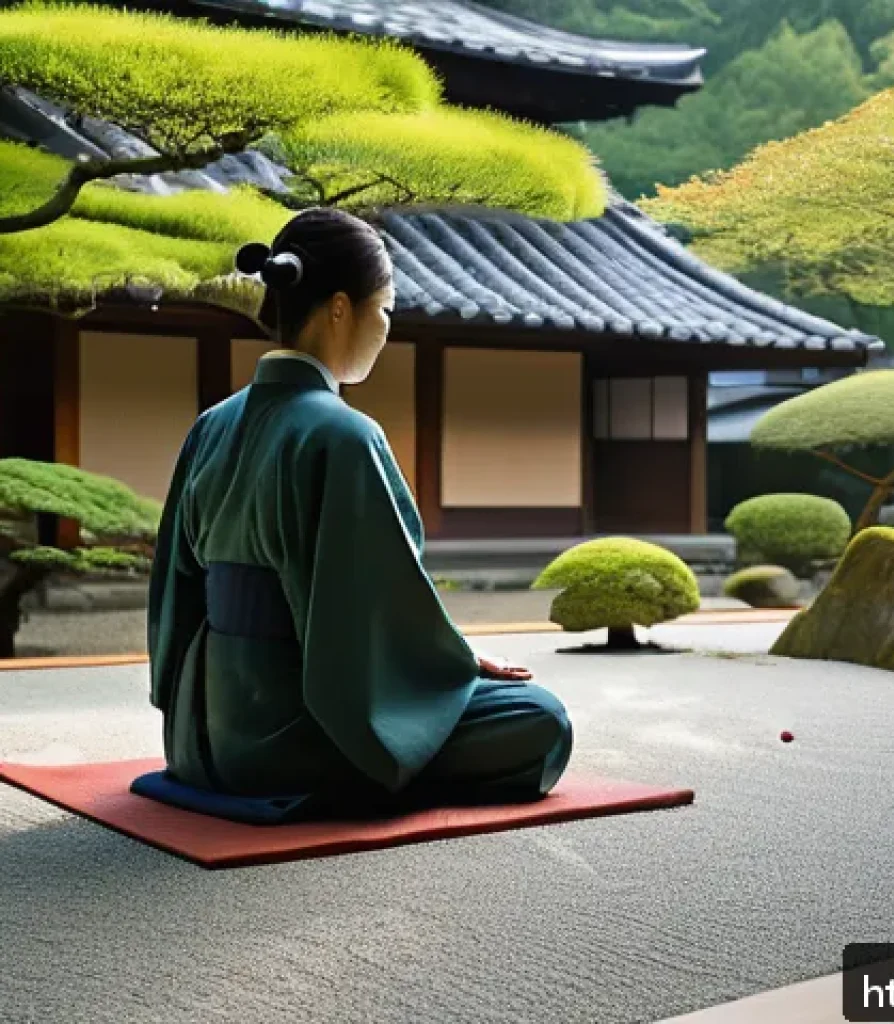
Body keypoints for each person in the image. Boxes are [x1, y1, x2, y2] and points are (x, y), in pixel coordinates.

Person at [140, 208, 573, 823]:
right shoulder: (343, 434)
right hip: (288, 738)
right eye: (386, 310)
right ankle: (369, 784)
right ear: (342, 308)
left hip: (200, 738)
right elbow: (367, 610)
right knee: (540, 721)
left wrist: (184, 712)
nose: (386, 328)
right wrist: (450, 659)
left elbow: (173, 595)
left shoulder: (210, 425)